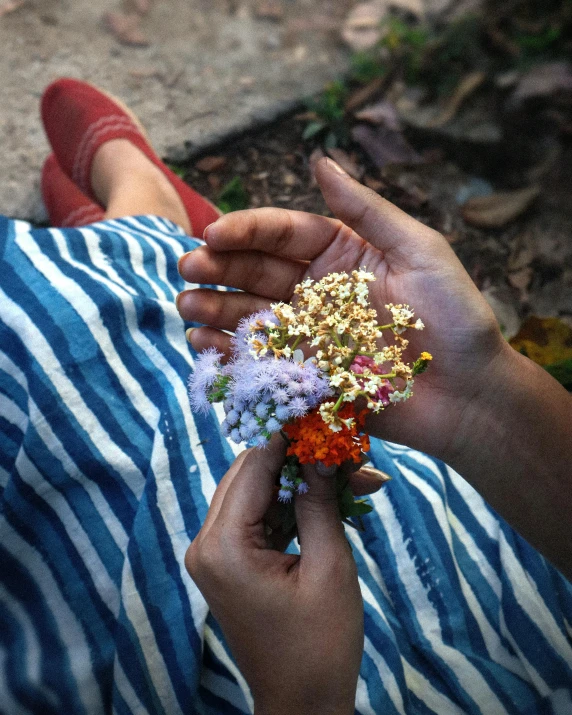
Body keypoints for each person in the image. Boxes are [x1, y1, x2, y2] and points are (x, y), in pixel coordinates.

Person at [0, 77, 570, 715]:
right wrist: (486, 401)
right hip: (517, 592)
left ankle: (137, 231)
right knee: (404, 486)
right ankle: (142, 228)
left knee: (62, 349)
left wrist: (301, 696)